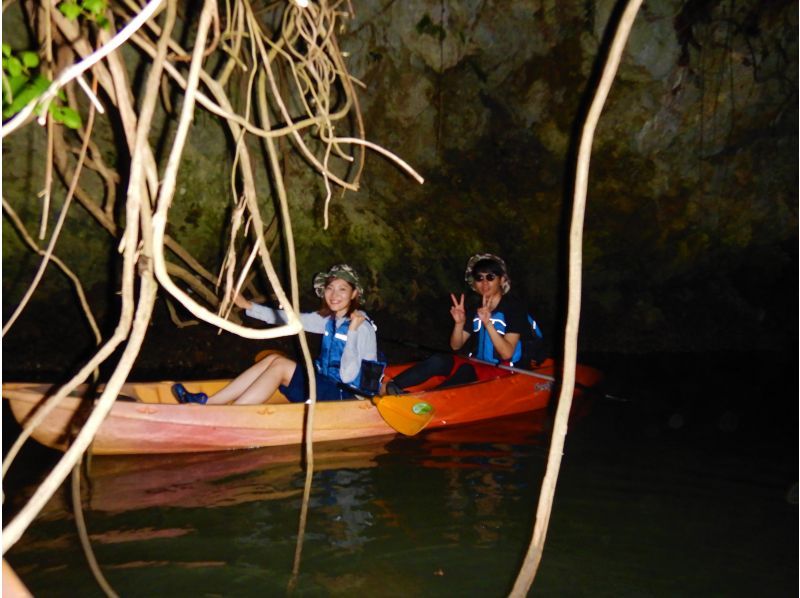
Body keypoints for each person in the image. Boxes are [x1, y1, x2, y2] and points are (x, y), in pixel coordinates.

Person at [172, 264, 379, 405]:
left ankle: (233, 412)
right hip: (328, 386)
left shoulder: (362, 328)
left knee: (281, 366)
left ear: (353, 294)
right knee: (273, 358)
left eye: (342, 289)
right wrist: (248, 306)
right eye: (330, 288)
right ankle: (209, 403)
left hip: (348, 397)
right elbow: (289, 318)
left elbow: (349, 376)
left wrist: (351, 334)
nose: (334, 295)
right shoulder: (330, 320)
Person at [383, 253, 542, 394]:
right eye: (479, 278)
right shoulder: (475, 310)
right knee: (439, 360)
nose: (484, 283)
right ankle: (391, 386)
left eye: (490, 277)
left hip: (507, 369)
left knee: (467, 370)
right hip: (480, 364)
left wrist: (488, 324)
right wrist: (459, 323)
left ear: (502, 280)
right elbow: (455, 346)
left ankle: (429, 402)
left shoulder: (514, 309)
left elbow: (507, 353)